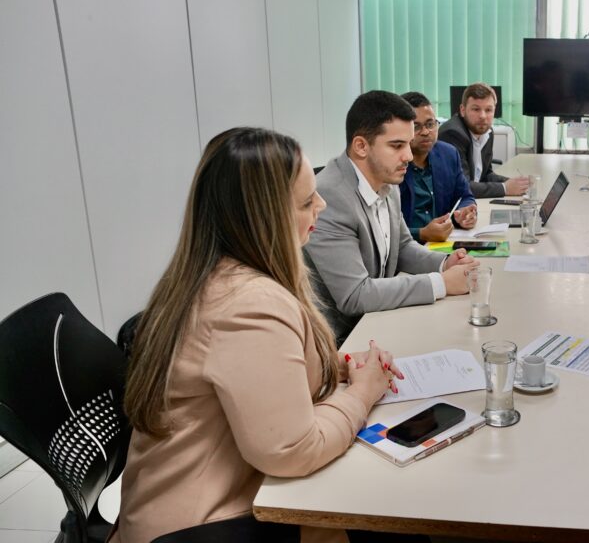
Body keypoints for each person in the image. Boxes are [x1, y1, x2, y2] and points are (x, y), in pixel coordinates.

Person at [113, 127, 401, 543]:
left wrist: (340, 369)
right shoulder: (248, 303)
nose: (320, 204)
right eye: (306, 201)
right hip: (206, 529)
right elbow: (293, 449)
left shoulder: (206, 275)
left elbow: (251, 372)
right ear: (262, 219)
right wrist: (363, 392)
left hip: (188, 506)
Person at [305, 91, 479, 344]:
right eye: (397, 146)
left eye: (408, 144)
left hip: (376, 320)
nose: (408, 156)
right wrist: (441, 283)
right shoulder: (330, 195)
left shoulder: (387, 182)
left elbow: (403, 246)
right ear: (361, 146)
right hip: (342, 340)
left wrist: (445, 263)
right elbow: (355, 295)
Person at [398, 91, 477, 243]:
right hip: (407, 249)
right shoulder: (392, 163)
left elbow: (465, 196)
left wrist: (465, 212)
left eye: (430, 124)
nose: (426, 132)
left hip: (443, 243)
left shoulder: (448, 154)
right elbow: (384, 228)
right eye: (416, 126)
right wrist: (421, 233)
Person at [438, 82, 529, 199]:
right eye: (476, 109)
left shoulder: (487, 132)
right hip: (452, 207)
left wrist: (515, 184)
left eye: (488, 110)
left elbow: (486, 175)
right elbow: (461, 186)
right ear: (462, 110)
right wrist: (505, 188)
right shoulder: (452, 134)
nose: (482, 116)